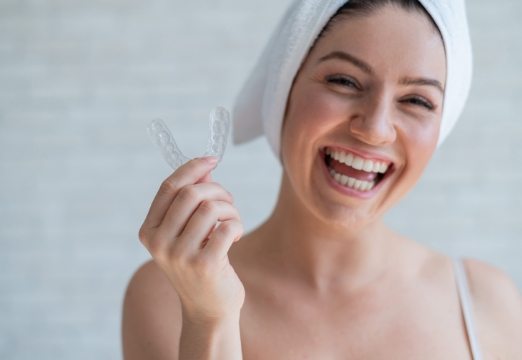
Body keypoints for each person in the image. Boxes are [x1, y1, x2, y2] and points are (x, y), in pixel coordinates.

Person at [122, 0, 522, 359]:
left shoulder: (488, 302)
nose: (376, 129)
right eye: (344, 81)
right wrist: (209, 318)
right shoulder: (166, 295)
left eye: (417, 100)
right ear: (284, 90)